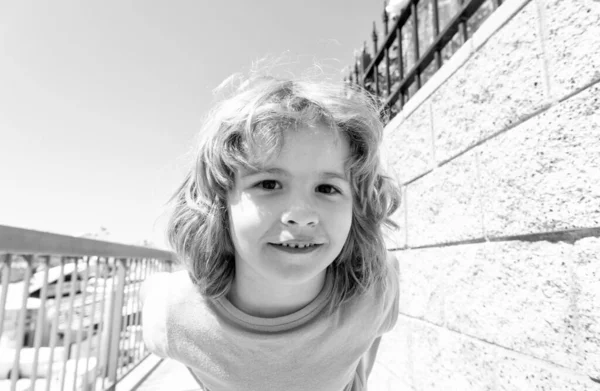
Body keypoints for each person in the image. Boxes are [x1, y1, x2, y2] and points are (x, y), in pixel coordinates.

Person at [141, 74, 401, 391]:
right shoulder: (172, 309)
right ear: (220, 202)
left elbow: (364, 351)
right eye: (268, 184)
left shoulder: (376, 287)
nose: (301, 216)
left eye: (327, 188)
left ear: (356, 208)